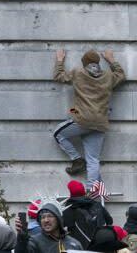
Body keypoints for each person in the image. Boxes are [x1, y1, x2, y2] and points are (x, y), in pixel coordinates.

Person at [53, 48, 126, 182]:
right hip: (100, 123)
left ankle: (77, 160)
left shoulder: (78, 72)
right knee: (93, 160)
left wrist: (59, 60)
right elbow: (121, 75)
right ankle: (91, 196)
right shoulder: (108, 76)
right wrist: (111, 60)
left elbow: (59, 76)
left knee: (58, 133)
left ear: (84, 63)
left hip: (82, 120)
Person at [61, 180, 114, 249]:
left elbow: (59, 229)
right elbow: (110, 221)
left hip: (79, 248)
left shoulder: (68, 210)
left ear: (71, 194)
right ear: (84, 192)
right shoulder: (97, 205)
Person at [14, 201, 83, 253]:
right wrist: (21, 237)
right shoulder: (35, 242)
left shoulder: (74, 244)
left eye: (50, 216)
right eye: (43, 217)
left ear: (58, 219)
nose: (46, 220)